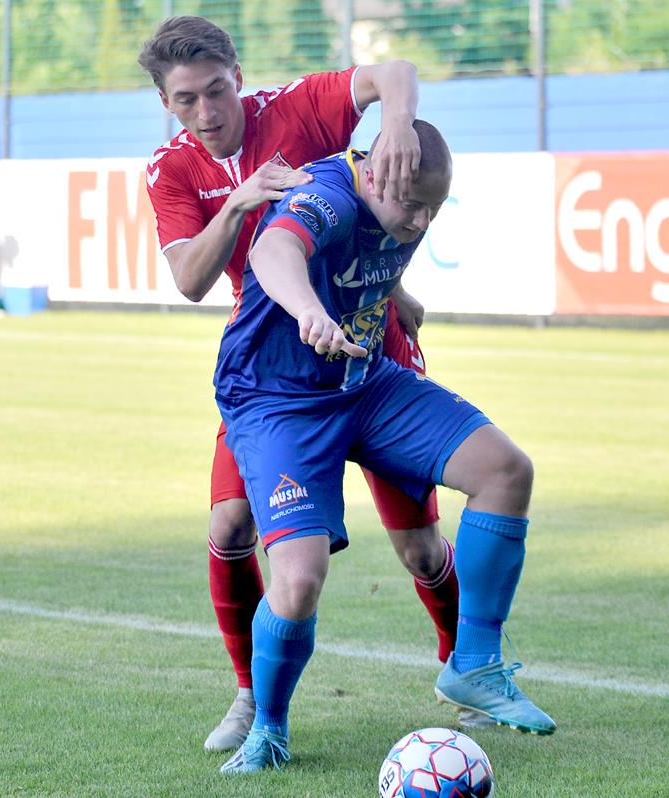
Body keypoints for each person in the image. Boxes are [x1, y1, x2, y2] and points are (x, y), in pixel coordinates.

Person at [137, 16, 466, 753]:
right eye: (187, 100)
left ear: (238, 76)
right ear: (166, 102)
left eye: (217, 90)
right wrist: (239, 201)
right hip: (270, 369)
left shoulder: (296, 109)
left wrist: (398, 126)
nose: (207, 112)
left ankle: (464, 667)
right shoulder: (171, 170)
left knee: (419, 546)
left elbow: (393, 74)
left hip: (367, 347)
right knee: (229, 527)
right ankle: (251, 697)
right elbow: (189, 278)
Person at [214, 120, 556, 775]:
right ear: (371, 175)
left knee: (506, 471)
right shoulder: (329, 194)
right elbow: (275, 250)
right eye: (411, 204)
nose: (421, 220)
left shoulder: (400, 200)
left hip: (363, 381)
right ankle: (268, 729)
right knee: (299, 579)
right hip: (276, 401)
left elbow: (370, 246)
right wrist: (308, 310)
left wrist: (395, 290)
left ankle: (474, 665)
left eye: (434, 207)